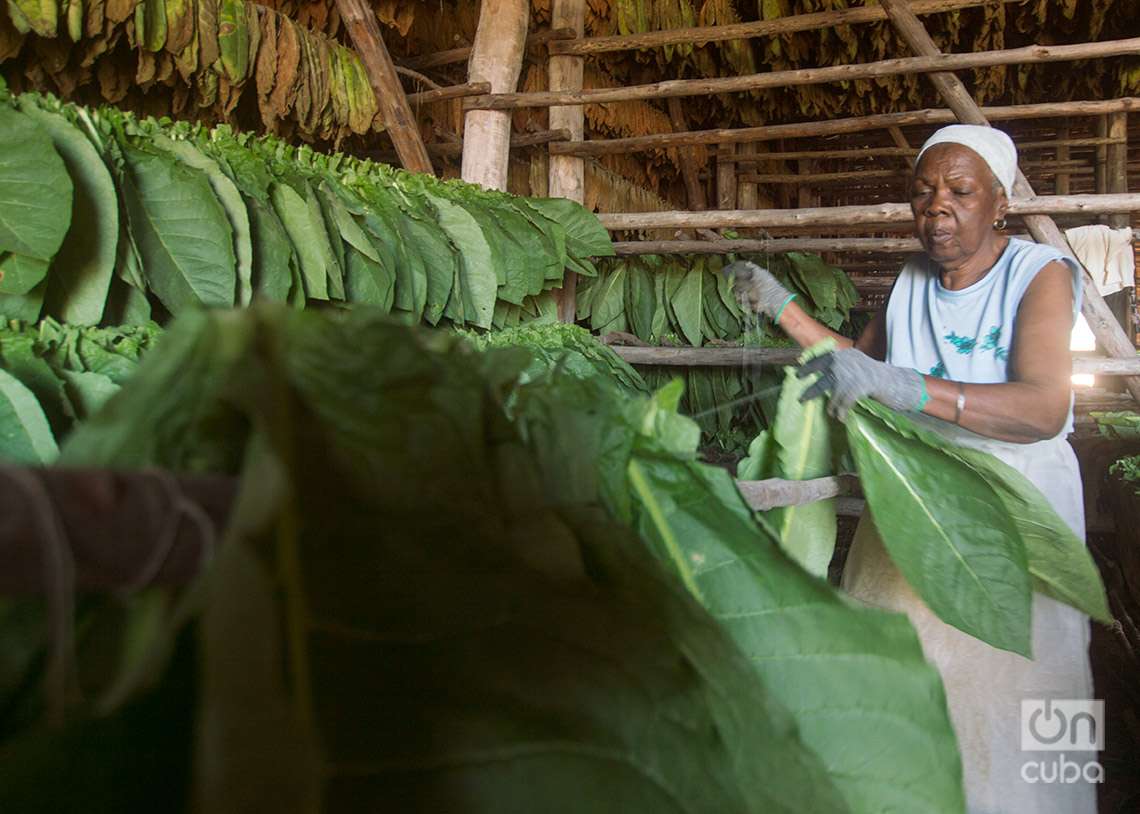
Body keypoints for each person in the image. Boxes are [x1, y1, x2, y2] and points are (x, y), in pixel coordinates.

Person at [728, 125, 1095, 814]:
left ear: (999, 204)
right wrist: (783, 309)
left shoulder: (1040, 273)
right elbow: (861, 362)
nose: (937, 207)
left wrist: (912, 389)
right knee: (902, 676)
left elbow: (1044, 407)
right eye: (922, 192)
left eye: (959, 190)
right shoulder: (910, 281)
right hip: (916, 493)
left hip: (1018, 504)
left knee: (1035, 681)